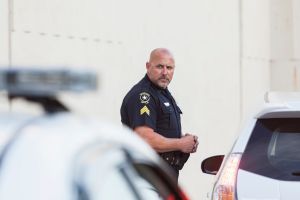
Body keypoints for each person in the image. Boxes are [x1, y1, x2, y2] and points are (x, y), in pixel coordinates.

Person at [120, 48, 198, 180]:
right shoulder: (143, 95)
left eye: (169, 68)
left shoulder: (162, 93)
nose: (165, 72)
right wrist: (180, 144)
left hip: (163, 177)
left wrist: (184, 139)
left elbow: (161, 129)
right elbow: (144, 138)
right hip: (147, 178)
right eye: (160, 66)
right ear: (148, 66)